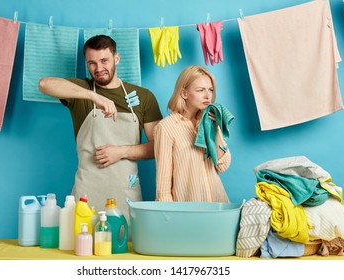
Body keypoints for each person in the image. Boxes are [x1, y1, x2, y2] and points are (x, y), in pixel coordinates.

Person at [38, 35, 163, 224]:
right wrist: (93, 97)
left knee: (124, 248)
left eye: (104, 60)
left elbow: (158, 147)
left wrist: (121, 152)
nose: (98, 69)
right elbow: (44, 84)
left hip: (125, 195)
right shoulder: (80, 91)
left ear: (116, 58)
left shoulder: (143, 97)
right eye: (91, 63)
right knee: (81, 246)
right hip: (86, 197)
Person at [154, 65, 231, 202]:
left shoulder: (209, 121)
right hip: (188, 211)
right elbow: (163, 188)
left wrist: (216, 130)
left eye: (210, 90)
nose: (208, 96)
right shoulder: (166, 128)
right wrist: (168, 217)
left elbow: (223, 165)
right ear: (184, 93)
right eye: (200, 90)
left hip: (219, 205)